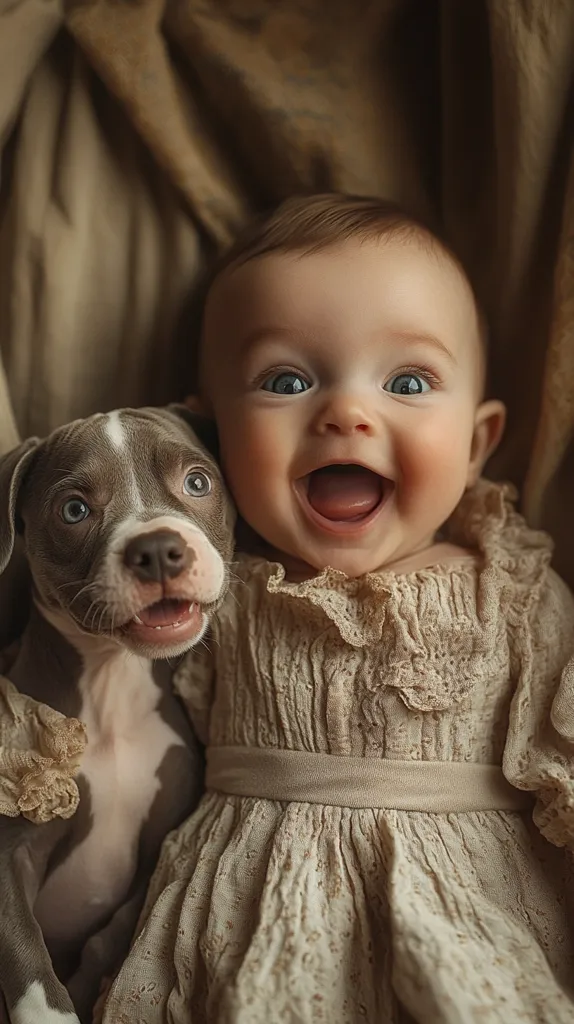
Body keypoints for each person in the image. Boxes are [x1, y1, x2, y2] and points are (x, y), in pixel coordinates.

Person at [101, 194, 574, 1024]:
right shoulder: (213, 588)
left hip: (467, 921)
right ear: (206, 440)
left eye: (407, 381)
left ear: (474, 444)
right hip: (239, 923)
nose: (346, 412)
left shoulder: (510, 584)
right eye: (286, 379)